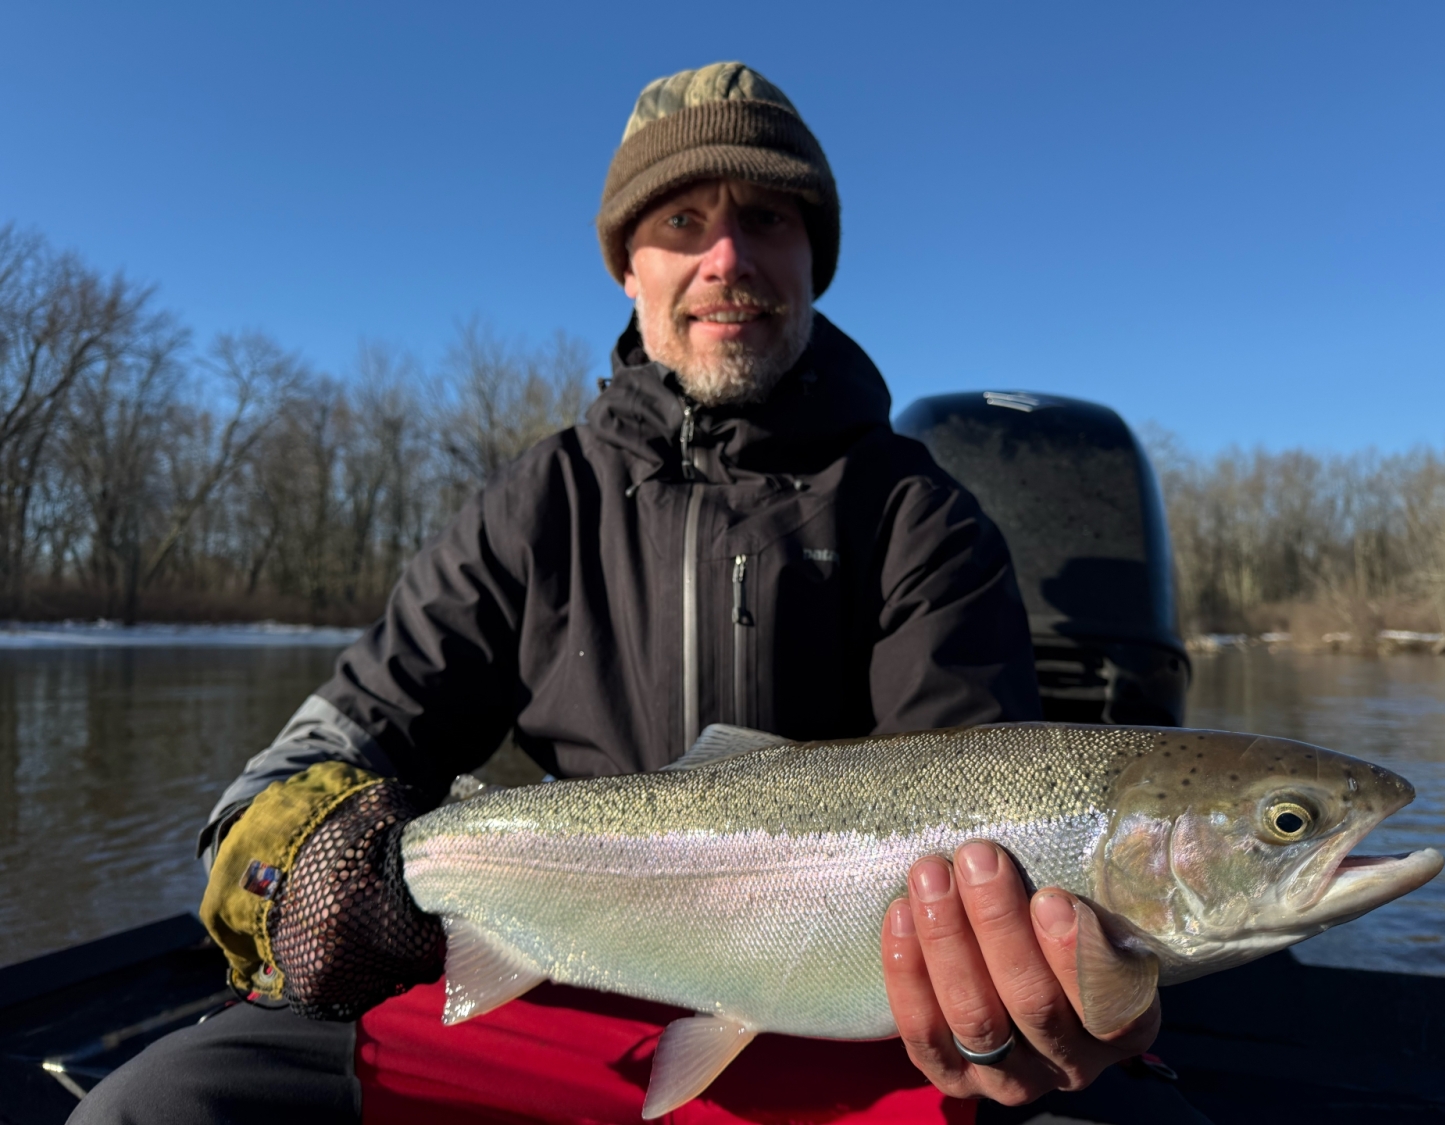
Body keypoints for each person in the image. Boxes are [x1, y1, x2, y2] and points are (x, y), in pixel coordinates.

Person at [72, 62, 1197, 1124]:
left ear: (813, 259)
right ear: (629, 267)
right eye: (680, 224)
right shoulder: (536, 502)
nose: (726, 258)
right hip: (558, 993)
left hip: (864, 1022)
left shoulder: (923, 514)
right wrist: (299, 859)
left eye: (767, 219)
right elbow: (317, 759)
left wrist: (1026, 995)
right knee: (162, 1105)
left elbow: (981, 815)